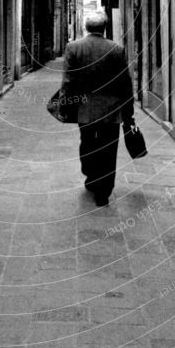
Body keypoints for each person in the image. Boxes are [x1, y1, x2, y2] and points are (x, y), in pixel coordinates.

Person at [61, 10, 134, 206]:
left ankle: (91, 176)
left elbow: (68, 80)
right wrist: (129, 111)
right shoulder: (117, 49)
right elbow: (125, 82)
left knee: (87, 143)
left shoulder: (73, 48)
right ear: (104, 28)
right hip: (111, 109)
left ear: (86, 27)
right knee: (109, 149)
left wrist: (64, 104)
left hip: (84, 108)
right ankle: (104, 191)